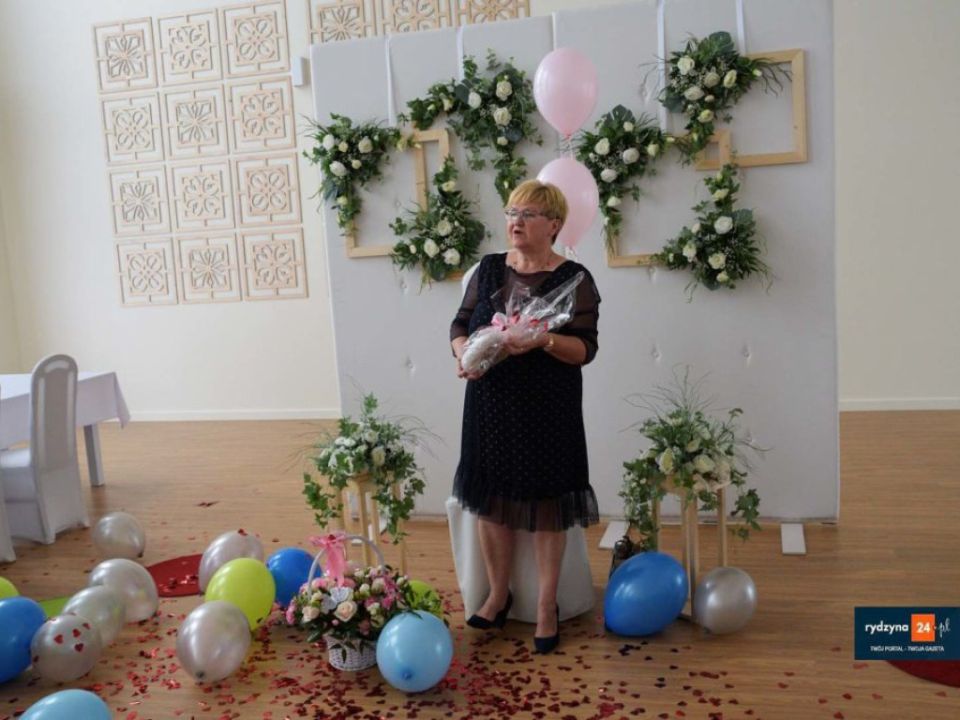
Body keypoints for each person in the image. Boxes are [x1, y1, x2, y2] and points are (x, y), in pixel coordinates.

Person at [449, 179, 601, 654]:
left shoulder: (574, 279)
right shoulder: (489, 268)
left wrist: (544, 340)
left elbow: (585, 349)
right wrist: (465, 353)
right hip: (489, 405)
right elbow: (460, 323)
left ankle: (546, 606)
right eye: (512, 212)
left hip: (547, 409)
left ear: (554, 224)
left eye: (528, 214)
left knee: (548, 504)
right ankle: (498, 595)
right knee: (490, 499)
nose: (515, 221)